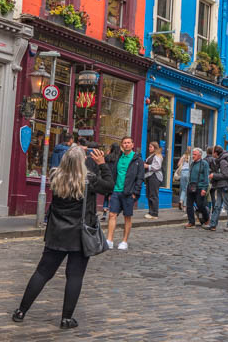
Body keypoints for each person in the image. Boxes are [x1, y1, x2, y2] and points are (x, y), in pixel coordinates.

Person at [13, 146, 112, 329]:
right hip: (79, 234)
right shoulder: (88, 180)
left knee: (42, 273)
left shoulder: (55, 176)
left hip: (57, 232)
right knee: (74, 276)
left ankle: (21, 311)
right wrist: (102, 164)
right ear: (82, 163)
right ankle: (66, 319)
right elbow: (109, 187)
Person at [102, 137, 144, 251]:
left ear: (132, 145)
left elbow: (140, 178)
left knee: (127, 217)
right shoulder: (119, 158)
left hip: (129, 193)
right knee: (112, 215)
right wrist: (111, 189)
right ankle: (109, 240)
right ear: (122, 145)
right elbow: (114, 174)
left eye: (128, 143)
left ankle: (124, 241)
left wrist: (135, 193)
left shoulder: (137, 160)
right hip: (116, 191)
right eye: (124, 143)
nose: (126, 145)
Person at [208, 145, 228, 231]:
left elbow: (226, 175)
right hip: (220, 185)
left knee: (227, 205)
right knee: (217, 206)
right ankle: (212, 225)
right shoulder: (220, 160)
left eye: (212, 152)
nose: (211, 154)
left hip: (225, 186)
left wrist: (214, 175)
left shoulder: (223, 161)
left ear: (216, 153)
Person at [184, 148, 210, 228]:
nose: (193, 156)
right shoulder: (192, 163)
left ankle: (207, 218)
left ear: (199, 155)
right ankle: (191, 222)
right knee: (189, 205)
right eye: (193, 154)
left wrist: (204, 189)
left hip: (200, 187)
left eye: (195, 154)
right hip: (191, 187)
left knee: (200, 205)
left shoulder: (204, 164)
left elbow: (206, 177)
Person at [142, 141, 163, 220]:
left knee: (153, 195)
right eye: (149, 146)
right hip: (150, 177)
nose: (149, 148)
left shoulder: (157, 156)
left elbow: (157, 166)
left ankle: (154, 213)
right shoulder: (152, 155)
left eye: (151, 147)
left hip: (155, 177)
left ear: (155, 147)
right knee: (150, 194)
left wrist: (147, 166)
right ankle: (151, 212)